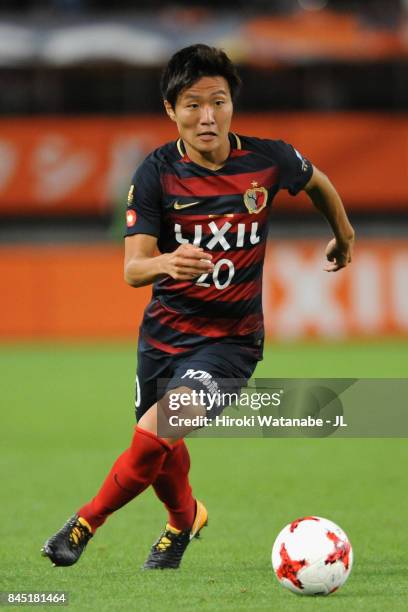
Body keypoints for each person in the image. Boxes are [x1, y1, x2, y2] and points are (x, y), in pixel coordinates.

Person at [42, 44, 354, 570]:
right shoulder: (155, 174)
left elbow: (318, 182)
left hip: (230, 344)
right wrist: (168, 262)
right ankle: (184, 521)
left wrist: (344, 236)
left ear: (232, 104)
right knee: (158, 447)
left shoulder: (268, 159)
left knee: (155, 434)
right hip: (162, 337)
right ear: (171, 110)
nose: (207, 116)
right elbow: (132, 268)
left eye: (218, 101)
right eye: (192, 104)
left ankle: (82, 525)